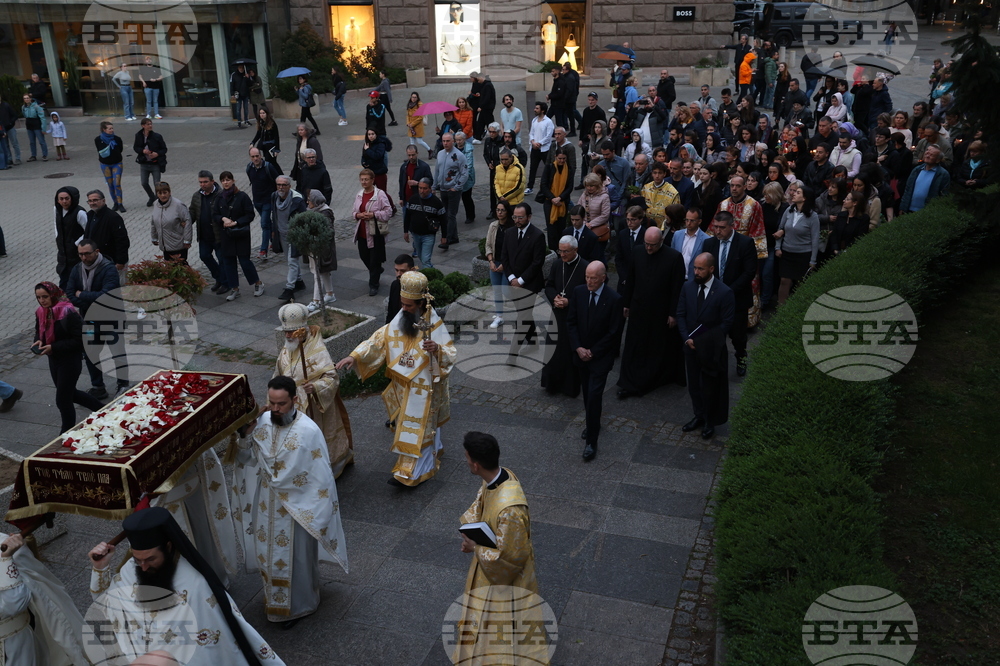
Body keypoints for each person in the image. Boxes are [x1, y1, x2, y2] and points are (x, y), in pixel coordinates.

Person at [90, 507, 285, 660]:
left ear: (168, 547)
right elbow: (106, 605)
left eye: (150, 559)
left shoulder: (196, 585)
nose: (142, 567)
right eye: (137, 558)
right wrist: (100, 568)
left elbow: (209, 645)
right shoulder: (130, 569)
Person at [337, 271, 457, 486]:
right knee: (415, 425)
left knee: (419, 426)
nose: (404, 308)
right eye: (402, 304)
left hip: (424, 387)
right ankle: (435, 450)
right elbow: (379, 339)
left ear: (421, 304)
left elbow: (451, 355)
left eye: (409, 305)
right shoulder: (401, 318)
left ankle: (412, 472)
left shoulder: (434, 326)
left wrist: (437, 349)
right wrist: (353, 356)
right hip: (403, 384)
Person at [454, 431, 548, 665]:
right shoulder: (501, 475)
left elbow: (510, 560)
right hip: (488, 565)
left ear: (475, 465)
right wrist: (470, 531)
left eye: (466, 457)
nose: (465, 461)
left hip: (508, 583)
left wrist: (476, 547)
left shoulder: (510, 510)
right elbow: (482, 502)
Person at [275, 302, 354, 475]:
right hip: (292, 405)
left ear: (301, 331)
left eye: (290, 332)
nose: (287, 335)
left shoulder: (318, 349)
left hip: (317, 406)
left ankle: (326, 470)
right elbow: (278, 374)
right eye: (285, 332)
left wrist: (316, 387)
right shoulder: (287, 348)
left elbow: (332, 378)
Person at [616, 225, 686, 399]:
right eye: (647, 244)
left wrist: (673, 313)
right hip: (638, 309)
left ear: (661, 241)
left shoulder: (674, 257)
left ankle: (650, 379)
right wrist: (626, 303)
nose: (649, 248)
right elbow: (630, 279)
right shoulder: (638, 252)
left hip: (659, 312)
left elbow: (677, 289)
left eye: (653, 245)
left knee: (655, 347)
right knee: (635, 344)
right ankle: (629, 381)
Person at [0, 530, 90, 664]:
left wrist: (16, 551)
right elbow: (15, 603)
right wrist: (6, 560)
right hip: (10, 644)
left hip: (18, 637)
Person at [567, 261, 623, 461]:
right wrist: (579, 348)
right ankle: (593, 423)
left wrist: (593, 351)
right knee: (587, 393)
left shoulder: (614, 299)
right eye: (587, 277)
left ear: (603, 278)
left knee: (594, 394)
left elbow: (614, 332)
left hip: (600, 357)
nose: (589, 281)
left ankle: (591, 441)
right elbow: (571, 322)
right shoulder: (579, 292)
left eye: (593, 278)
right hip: (581, 355)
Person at [33, 280, 105, 431]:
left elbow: (80, 340)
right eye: (38, 297)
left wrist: (53, 346)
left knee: (63, 400)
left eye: (45, 296)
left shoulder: (68, 312)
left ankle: (66, 433)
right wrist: (38, 341)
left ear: (53, 295)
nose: (42, 300)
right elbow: (39, 332)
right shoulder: (41, 312)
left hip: (70, 361)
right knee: (71, 394)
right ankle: (104, 410)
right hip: (54, 360)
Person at [678, 253, 734, 439]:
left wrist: (702, 341)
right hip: (690, 347)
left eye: (700, 268)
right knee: (694, 384)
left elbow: (726, 323)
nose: (696, 272)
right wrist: (687, 338)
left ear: (711, 269)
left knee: (710, 386)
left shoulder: (725, 292)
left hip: (711, 350)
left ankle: (710, 421)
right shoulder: (687, 287)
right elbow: (681, 314)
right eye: (695, 267)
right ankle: (699, 415)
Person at [703, 211, 757, 376]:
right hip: (714, 299)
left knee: (738, 335)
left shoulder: (745, 243)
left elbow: (749, 272)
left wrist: (727, 291)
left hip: (737, 299)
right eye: (715, 227)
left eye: (722, 228)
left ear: (732, 226)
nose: (717, 231)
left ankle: (741, 358)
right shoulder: (709, 244)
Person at [541, 235, 586, 398]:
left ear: (576, 250)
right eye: (560, 251)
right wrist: (554, 298)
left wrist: (569, 302)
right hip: (557, 313)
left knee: (568, 351)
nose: (562, 255)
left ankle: (569, 386)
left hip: (575, 316)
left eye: (566, 251)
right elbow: (549, 285)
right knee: (554, 351)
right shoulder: (557, 264)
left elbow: (588, 295)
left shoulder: (584, 267)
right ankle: (551, 383)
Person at [500, 203, 547, 355]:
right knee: (525, 315)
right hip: (513, 283)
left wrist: (521, 280)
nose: (517, 220)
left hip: (530, 284)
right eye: (515, 217)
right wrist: (512, 278)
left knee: (522, 318)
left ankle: (512, 354)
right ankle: (533, 343)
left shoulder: (538, 235)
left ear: (529, 217)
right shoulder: (509, 233)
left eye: (521, 217)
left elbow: (537, 262)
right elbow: (504, 257)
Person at [213, 171, 264, 301]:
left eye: (228, 179)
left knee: (245, 262)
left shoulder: (242, 196)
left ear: (233, 181)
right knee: (229, 263)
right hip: (227, 235)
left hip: (241, 234)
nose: (225, 182)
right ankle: (234, 288)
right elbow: (215, 215)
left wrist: (236, 222)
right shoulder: (219, 198)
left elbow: (250, 214)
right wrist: (223, 219)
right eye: (223, 180)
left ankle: (258, 283)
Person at [775, 184, 820, 304]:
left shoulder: (813, 216)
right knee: (784, 280)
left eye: (798, 192)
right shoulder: (788, 211)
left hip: (803, 254)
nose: (794, 194)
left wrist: (813, 260)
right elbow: (780, 229)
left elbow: (815, 238)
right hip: (787, 252)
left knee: (801, 283)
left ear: (805, 198)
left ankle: (798, 309)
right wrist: (778, 247)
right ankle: (781, 309)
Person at [353, 169, 393, 296]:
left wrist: (373, 214)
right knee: (364, 256)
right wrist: (359, 215)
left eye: (366, 179)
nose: (364, 182)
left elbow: (388, 212)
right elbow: (354, 212)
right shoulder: (359, 194)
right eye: (362, 179)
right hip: (362, 232)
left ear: (372, 180)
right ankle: (376, 271)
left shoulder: (380, 194)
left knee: (374, 259)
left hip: (375, 232)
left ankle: (373, 284)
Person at [271, 175, 308, 302]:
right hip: (281, 233)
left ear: (289, 186)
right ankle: (299, 281)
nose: (280, 187)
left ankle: (289, 288)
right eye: (278, 185)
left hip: (294, 234)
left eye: (284, 185)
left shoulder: (297, 200)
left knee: (292, 260)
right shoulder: (275, 196)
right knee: (289, 260)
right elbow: (274, 214)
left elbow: (304, 218)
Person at [191, 170, 228, 293]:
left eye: (205, 182)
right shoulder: (197, 196)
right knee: (204, 256)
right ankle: (219, 278)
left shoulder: (221, 194)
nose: (203, 185)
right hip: (204, 235)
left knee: (222, 259)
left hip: (218, 235)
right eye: (200, 182)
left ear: (212, 181)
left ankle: (225, 282)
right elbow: (192, 212)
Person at [304, 190, 339, 309]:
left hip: (322, 249)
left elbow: (329, 232)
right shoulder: (315, 210)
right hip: (316, 248)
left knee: (318, 273)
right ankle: (330, 293)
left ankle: (316, 300)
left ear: (315, 201)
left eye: (309, 200)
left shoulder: (325, 213)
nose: (307, 202)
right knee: (323, 272)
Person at [435, 132, 468, 251]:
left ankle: (447, 239)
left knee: (450, 215)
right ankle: (454, 237)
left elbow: (464, 173)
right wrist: (434, 186)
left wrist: (457, 187)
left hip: (453, 189)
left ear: (452, 141)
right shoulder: (440, 154)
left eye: (448, 141)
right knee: (445, 213)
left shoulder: (459, 155)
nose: (445, 143)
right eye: (443, 141)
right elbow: (437, 171)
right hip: (443, 188)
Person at [246, 147, 281, 259]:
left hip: (267, 200)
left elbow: (278, 180)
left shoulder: (268, 167)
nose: (256, 158)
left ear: (260, 155)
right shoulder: (249, 168)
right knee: (267, 223)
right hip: (257, 201)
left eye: (257, 156)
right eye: (253, 157)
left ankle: (263, 250)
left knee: (264, 224)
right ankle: (275, 241)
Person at [484, 202, 514, 328]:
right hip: (495, 263)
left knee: (505, 290)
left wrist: (505, 264)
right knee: (497, 291)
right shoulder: (493, 226)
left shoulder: (512, 228)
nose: (499, 212)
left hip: (507, 264)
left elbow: (514, 250)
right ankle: (499, 316)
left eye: (502, 210)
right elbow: (488, 245)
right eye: (498, 210)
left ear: (507, 211)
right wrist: (491, 261)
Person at [404, 177, 445, 268]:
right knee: (421, 257)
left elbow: (443, 220)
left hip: (428, 235)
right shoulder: (413, 199)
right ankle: (431, 273)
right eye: (420, 188)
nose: (422, 191)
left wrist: (444, 236)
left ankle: (427, 278)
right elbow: (407, 216)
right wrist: (405, 231)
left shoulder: (436, 202)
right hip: (416, 234)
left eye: (425, 188)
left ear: (430, 189)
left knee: (425, 259)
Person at [539, 147, 574, 250]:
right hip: (550, 203)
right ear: (555, 157)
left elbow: (569, 187)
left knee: (561, 228)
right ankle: (553, 250)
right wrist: (552, 198)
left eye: (564, 158)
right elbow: (544, 185)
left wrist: (560, 198)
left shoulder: (569, 169)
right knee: (551, 229)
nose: (562, 161)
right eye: (560, 158)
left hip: (562, 202)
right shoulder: (549, 167)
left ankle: (562, 249)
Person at [54, 186, 87, 290]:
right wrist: (58, 237)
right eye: (61, 199)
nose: (64, 201)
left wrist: (76, 244)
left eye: (67, 198)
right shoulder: (57, 209)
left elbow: (89, 231)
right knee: (64, 280)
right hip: (63, 254)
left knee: (76, 281)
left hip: (76, 254)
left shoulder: (80, 213)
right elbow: (56, 224)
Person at [900, 144, 950, 213]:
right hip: (909, 210)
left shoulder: (942, 174)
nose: (927, 156)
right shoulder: (917, 170)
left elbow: (943, 195)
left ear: (938, 160)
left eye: (931, 155)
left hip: (927, 212)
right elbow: (907, 189)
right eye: (927, 153)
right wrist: (903, 207)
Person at [150, 181, 192, 262]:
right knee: (169, 269)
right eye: (160, 193)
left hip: (178, 244)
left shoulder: (178, 205)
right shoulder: (156, 204)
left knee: (180, 267)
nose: (163, 195)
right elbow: (153, 222)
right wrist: (154, 237)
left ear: (169, 192)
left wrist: (187, 240)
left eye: (165, 192)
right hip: (165, 245)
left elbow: (187, 221)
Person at [134, 117, 167, 207]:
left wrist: (157, 154)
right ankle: (151, 196)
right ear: (143, 126)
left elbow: (164, 149)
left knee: (157, 183)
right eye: (148, 124)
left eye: (151, 124)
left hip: (155, 163)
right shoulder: (138, 135)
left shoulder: (157, 136)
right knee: (144, 183)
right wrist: (142, 151)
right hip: (144, 163)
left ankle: (158, 199)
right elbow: (136, 147)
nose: (150, 126)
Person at [672, 207, 711, 281]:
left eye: (692, 221)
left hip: (694, 279)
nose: (688, 223)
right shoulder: (677, 235)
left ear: (699, 221)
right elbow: (672, 255)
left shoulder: (706, 239)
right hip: (677, 277)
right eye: (686, 220)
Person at [95, 121, 126, 212]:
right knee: (111, 184)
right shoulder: (98, 139)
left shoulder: (117, 139)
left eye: (112, 128)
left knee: (117, 183)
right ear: (104, 130)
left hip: (117, 163)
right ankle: (115, 203)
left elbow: (120, 149)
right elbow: (100, 151)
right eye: (110, 129)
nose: (112, 130)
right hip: (105, 164)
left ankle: (120, 204)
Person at [829, 190, 870, 255]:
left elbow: (860, 238)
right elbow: (834, 233)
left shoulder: (863, 219)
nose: (844, 201)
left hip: (853, 253)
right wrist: (835, 249)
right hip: (835, 252)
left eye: (847, 199)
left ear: (855, 203)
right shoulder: (841, 215)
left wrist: (846, 252)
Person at [526, 102, 554, 194]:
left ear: (542, 110)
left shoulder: (548, 122)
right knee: (532, 168)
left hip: (544, 150)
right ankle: (530, 187)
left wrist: (540, 143)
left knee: (548, 168)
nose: (535, 110)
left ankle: (550, 185)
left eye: (537, 108)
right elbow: (531, 133)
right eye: (535, 108)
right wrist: (533, 141)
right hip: (534, 149)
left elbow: (548, 136)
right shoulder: (534, 120)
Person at [642, 163, 680, 230]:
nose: (657, 176)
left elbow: (675, 213)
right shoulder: (646, 188)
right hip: (646, 225)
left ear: (664, 174)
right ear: (652, 174)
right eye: (655, 173)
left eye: (660, 173)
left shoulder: (672, 192)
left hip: (663, 227)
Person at [399, 143, 434, 212]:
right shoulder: (404, 167)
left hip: (419, 199)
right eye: (409, 155)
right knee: (406, 221)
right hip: (407, 200)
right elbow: (401, 183)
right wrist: (401, 197)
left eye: (413, 155)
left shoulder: (424, 167)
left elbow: (430, 181)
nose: (411, 157)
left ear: (417, 153)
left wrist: (418, 183)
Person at [250, 106, 282, 174]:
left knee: (271, 162)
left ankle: (280, 175)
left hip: (271, 146)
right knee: (269, 162)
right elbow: (258, 134)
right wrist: (252, 142)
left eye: (263, 113)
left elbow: (276, 136)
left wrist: (277, 149)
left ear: (267, 114)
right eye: (260, 113)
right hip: (264, 146)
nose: (262, 115)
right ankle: (274, 175)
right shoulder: (261, 122)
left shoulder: (272, 123)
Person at [483, 122, 505, 217]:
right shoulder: (488, 141)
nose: (491, 134)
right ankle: (493, 210)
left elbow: (502, 155)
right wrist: (489, 163)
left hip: (500, 168)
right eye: (490, 131)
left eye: (493, 132)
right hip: (492, 168)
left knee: (501, 190)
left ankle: (503, 208)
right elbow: (485, 154)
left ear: (497, 132)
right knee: (492, 190)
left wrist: (497, 164)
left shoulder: (501, 141)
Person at [456, 131, 477, 223]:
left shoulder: (468, 149)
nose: (458, 142)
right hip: (456, 176)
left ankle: (470, 216)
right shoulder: (454, 148)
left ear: (464, 139)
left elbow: (469, 164)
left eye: (460, 140)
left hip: (467, 177)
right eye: (456, 140)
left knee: (466, 197)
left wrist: (463, 175)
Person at [21, 94, 47, 162]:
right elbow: (24, 115)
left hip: (36, 124)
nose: (26, 99)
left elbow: (42, 118)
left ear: (30, 99)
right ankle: (33, 155)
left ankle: (44, 155)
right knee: (32, 142)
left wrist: (43, 128)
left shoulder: (36, 106)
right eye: (25, 98)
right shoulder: (23, 107)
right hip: (29, 125)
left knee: (41, 141)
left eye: (27, 98)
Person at [470, 71, 496, 141]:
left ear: (482, 78)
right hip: (486, 107)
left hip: (487, 107)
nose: (478, 82)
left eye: (478, 80)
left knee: (489, 122)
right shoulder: (486, 85)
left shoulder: (487, 85)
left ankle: (494, 135)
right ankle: (478, 137)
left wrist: (481, 106)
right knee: (482, 122)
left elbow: (486, 98)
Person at [229, 63, 252, 128]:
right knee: (238, 108)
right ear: (238, 68)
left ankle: (246, 120)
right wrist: (232, 94)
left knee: (246, 108)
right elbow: (232, 85)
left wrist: (248, 78)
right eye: (240, 68)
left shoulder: (246, 74)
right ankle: (239, 121)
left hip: (245, 94)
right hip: (238, 94)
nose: (241, 69)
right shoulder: (234, 75)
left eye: (242, 67)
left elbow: (250, 84)